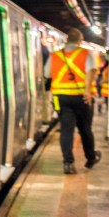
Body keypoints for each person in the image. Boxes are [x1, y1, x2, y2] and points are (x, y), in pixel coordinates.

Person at [44, 27, 101, 174]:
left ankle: (68, 163)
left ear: (67, 40)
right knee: (85, 129)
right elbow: (91, 71)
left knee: (66, 130)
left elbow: (47, 73)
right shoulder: (85, 53)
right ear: (80, 41)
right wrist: (87, 91)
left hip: (61, 98)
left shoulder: (55, 55)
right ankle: (90, 158)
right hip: (81, 97)